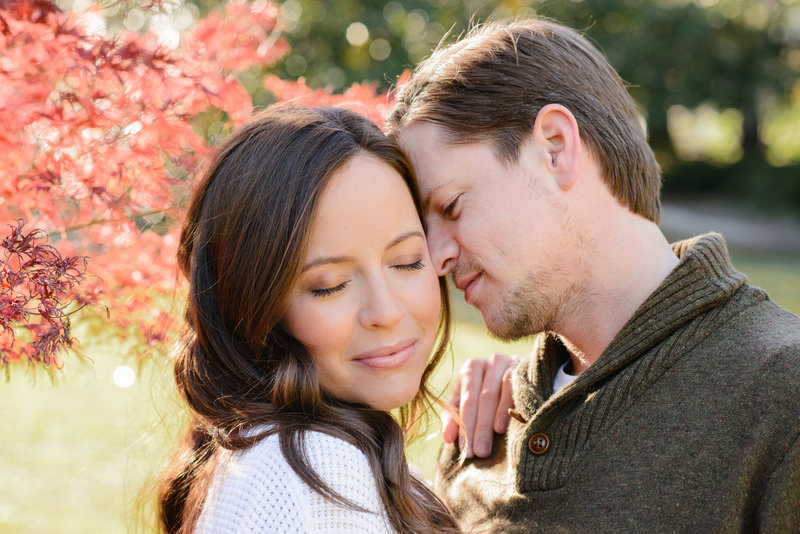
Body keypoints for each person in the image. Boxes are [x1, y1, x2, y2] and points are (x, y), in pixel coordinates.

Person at [386, 18, 800, 532]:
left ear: (555, 147)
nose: (437, 257)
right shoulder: (479, 430)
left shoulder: (784, 399)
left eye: (449, 206)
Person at [156, 105, 461, 533]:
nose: (387, 312)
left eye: (409, 262)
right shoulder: (315, 473)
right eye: (330, 286)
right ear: (254, 306)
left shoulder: (262, 453)